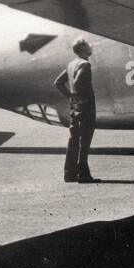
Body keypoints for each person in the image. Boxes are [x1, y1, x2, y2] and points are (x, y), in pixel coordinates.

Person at [54, 37, 98, 183]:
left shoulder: (71, 64)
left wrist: (70, 97)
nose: (90, 46)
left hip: (74, 107)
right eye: (87, 45)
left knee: (73, 139)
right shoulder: (85, 65)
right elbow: (79, 83)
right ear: (83, 49)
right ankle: (83, 175)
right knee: (84, 141)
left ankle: (69, 174)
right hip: (85, 107)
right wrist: (83, 99)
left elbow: (58, 82)